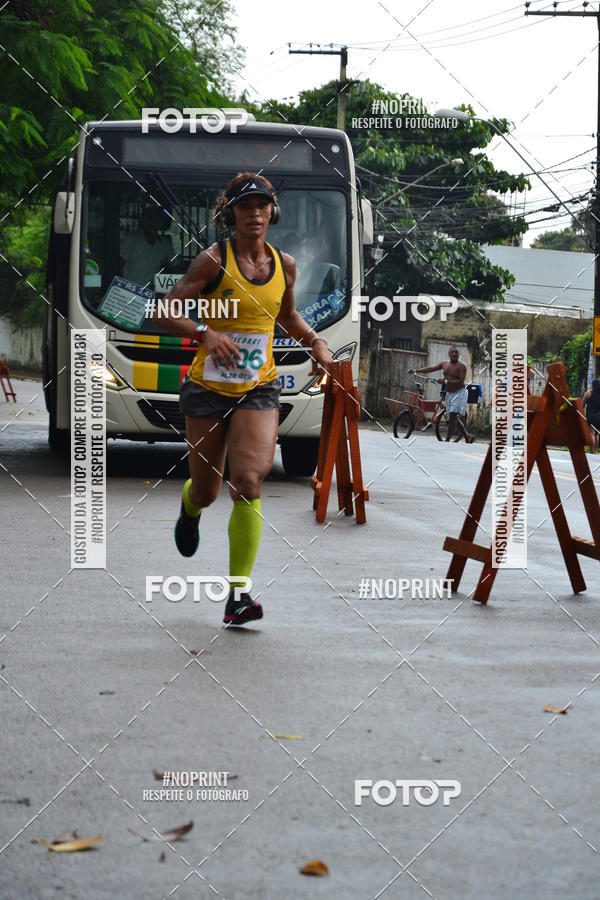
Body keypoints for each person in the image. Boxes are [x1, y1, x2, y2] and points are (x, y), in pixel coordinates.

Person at [153, 172, 332, 625]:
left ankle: (238, 597)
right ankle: (190, 508)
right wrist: (203, 332)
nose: (254, 212)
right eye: (245, 205)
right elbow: (164, 310)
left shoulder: (284, 265)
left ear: (273, 212)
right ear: (230, 213)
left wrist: (317, 343)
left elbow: (287, 317)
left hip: (258, 387)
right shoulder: (214, 261)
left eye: (262, 205)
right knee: (210, 490)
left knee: (249, 482)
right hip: (208, 390)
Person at [409, 346, 474, 443]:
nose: (454, 354)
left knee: (452, 415)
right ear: (449, 354)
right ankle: (467, 436)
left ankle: (447, 440)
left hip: (459, 392)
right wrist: (417, 370)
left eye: (456, 352)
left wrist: (446, 381)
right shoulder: (444, 364)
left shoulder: (462, 366)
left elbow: (461, 381)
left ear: (459, 354)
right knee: (453, 417)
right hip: (449, 393)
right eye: (452, 352)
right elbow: (431, 368)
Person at [120, 205, 175, 287]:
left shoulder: (165, 244)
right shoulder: (131, 238)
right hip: (130, 290)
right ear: (144, 221)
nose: (153, 222)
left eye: (157, 219)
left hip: (152, 293)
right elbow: (120, 263)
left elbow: (176, 265)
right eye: (150, 219)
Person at [582, 378, 600, 454]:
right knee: (597, 434)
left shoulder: (588, 394)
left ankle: (591, 451)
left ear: (593, 385)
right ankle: (595, 450)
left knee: (591, 433)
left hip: (590, 416)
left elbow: (582, 406)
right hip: (599, 416)